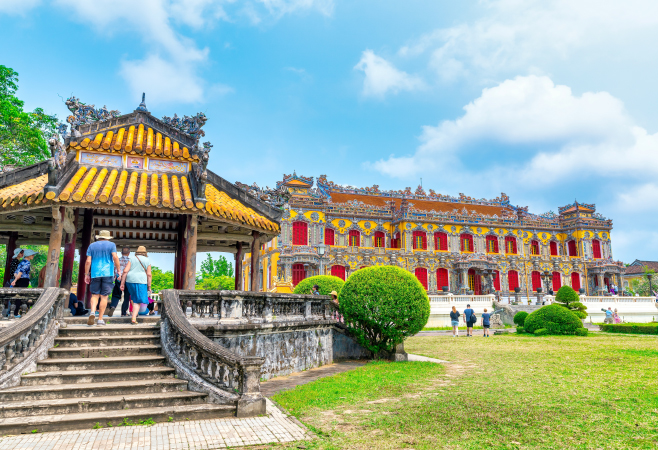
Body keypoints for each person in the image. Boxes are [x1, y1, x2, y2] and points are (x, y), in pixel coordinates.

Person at [84, 230, 120, 326]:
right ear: (108, 237)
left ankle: (92, 312)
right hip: (108, 273)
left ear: (99, 237)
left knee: (95, 295)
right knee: (104, 296)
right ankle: (100, 320)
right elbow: (115, 257)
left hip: (95, 273)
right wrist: (118, 271)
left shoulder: (92, 246)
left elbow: (88, 261)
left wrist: (86, 274)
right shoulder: (112, 245)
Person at [120, 246, 152, 325]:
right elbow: (149, 274)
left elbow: (125, 271)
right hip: (141, 281)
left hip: (130, 280)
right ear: (145, 253)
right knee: (137, 300)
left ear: (137, 252)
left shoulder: (132, 259)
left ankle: (134, 314)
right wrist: (149, 286)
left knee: (134, 298)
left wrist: (122, 283)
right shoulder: (147, 260)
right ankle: (134, 318)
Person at [10, 249, 38, 316]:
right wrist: (15, 280)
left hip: (19, 280)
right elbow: (20, 273)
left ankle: (13, 313)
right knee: (20, 297)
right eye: (32, 254)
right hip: (23, 280)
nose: (33, 256)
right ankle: (15, 313)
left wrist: (16, 279)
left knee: (16, 297)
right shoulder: (27, 263)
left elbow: (15, 273)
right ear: (28, 255)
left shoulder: (21, 262)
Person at [109, 247, 131, 317]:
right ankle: (123, 312)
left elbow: (114, 270)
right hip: (128, 279)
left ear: (121, 253)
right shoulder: (131, 261)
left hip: (118, 278)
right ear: (129, 253)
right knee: (126, 296)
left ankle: (113, 306)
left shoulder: (117, 260)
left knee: (116, 294)